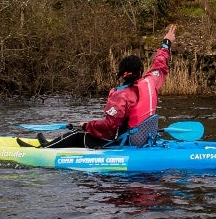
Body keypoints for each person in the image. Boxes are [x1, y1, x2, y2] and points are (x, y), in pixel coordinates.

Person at [34, 24, 177, 148]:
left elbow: (110, 127)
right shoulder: (151, 82)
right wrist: (166, 43)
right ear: (140, 71)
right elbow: (160, 65)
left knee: (79, 135)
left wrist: (87, 125)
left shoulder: (121, 95)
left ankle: (45, 148)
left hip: (125, 143)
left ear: (123, 74)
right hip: (144, 140)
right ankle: (53, 143)